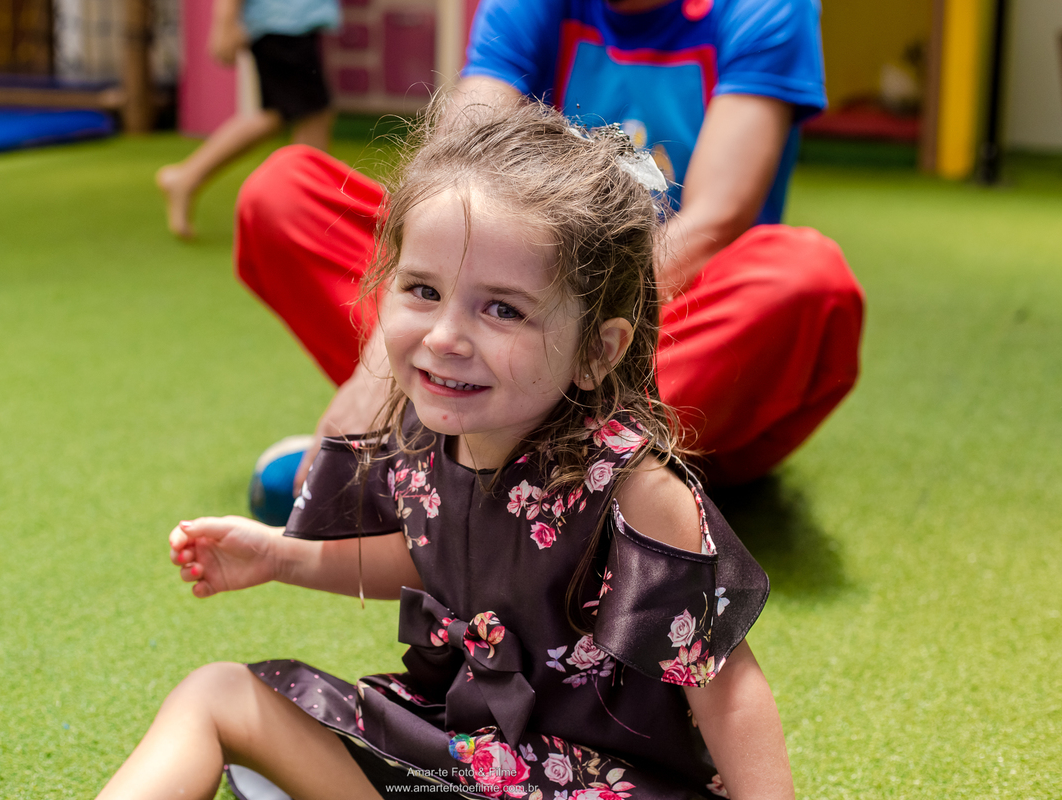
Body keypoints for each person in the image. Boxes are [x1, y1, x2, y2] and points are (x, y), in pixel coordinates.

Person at [98, 99, 791, 800]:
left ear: (597, 350)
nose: (445, 337)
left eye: (503, 308)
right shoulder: (427, 433)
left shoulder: (636, 493)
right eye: (423, 291)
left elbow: (728, 688)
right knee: (217, 694)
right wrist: (280, 556)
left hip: (596, 783)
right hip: (454, 756)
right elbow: (433, 556)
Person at [237, 0, 865, 519]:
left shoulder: (766, 7)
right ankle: (513, 467)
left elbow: (712, 221)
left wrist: (567, 329)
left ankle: (458, 463)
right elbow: (447, 184)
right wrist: (375, 374)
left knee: (804, 278)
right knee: (286, 193)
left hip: (643, 332)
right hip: (497, 307)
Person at [156, 0, 339, 238]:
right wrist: (225, 22)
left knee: (287, 114)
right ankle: (308, 213)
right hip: (282, 24)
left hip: (291, 24)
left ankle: (187, 177)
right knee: (308, 115)